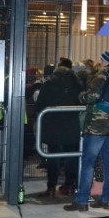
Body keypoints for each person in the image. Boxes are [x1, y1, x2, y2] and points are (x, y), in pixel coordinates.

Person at [64, 50, 109, 211]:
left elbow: (92, 96)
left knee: (88, 162)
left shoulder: (102, 76)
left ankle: (81, 201)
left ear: (107, 61)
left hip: (97, 125)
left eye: (102, 59)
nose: (99, 62)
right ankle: (106, 199)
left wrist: (82, 96)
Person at [34, 58, 83, 197]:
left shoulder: (49, 83)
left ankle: (51, 187)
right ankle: (69, 185)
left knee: (53, 157)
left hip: (52, 126)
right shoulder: (77, 84)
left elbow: (39, 105)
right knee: (71, 156)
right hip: (71, 125)